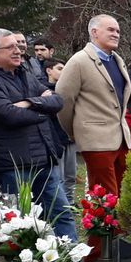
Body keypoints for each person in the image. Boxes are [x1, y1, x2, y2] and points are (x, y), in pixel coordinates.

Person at [0, 29, 77, 240]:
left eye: (18, 46)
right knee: (20, 225)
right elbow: (9, 115)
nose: (19, 51)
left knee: (62, 215)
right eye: (11, 47)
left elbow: (57, 101)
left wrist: (28, 103)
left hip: (44, 159)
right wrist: (42, 109)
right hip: (15, 166)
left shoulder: (26, 74)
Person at [57, 14, 131, 196]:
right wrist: (74, 131)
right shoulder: (79, 61)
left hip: (121, 139)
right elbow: (63, 99)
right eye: (111, 30)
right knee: (105, 198)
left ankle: (121, 226)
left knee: (123, 194)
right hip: (96, 141)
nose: (116, 34)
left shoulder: (117, 60)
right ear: (94, 32)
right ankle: (107, 226)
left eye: (118, 31)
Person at [43, 58, 78, 199]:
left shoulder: (68, 89)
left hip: (70, 136)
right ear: (49, 71)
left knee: (71, 173)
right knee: (60, 175)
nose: (63, 72)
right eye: (59, 68)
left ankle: (69, 202)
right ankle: (61, 204)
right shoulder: (43, 90)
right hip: (55, 138)